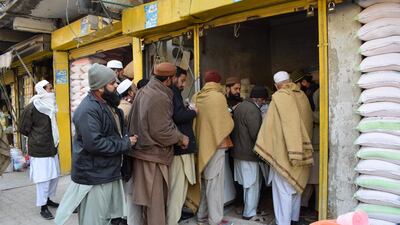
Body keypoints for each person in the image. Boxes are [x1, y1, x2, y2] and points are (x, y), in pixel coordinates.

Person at [55, 63, 137, 225]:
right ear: (100, 88)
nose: (116, 86)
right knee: (93, 220)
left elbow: (114, 132)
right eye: (112, 83)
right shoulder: (87, 110)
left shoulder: (107, 105)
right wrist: (125, 143)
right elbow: (95, 144)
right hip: (94, 177)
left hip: (107, 173)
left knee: (107, 218)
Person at [127, 62, 189, 225]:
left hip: (143, 154)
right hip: (153, 157)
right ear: (169, 79)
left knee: (149, 204)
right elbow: (161, 131)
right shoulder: (158, 96)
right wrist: (181, 137)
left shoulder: (144, 90)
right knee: (156, 205)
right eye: (175, 77)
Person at [254, 71, 314, 225]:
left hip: (283, 153)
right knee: (296, 188)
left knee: (283, 192)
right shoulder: (302, 96)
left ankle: (283, 222)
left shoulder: (279, 98)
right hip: (302, 151)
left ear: (276, 85)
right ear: (290, 81)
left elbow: (270, 127)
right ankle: (293, 220)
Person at [187, 70, 234, 225]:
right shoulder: (219, 97)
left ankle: (201, 216)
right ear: (218, 83)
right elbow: (226, 123)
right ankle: (216, 219)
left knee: (204, 182)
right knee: (215, 184)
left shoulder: (196, 96)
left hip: (200, 145)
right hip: (216, 145)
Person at [19, 80, 60, 220]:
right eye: (49, 88)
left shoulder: (51, 105)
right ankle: (43, 207)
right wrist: (37, 138)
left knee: (54, 177)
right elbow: (23, 128)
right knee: (43, 179)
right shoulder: (32, 107)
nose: (52, 90)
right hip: (39, 149)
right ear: (42, 90)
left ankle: (48, 199)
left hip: (52, 147)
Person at [231, 86, 268, 221]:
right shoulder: (253, 110)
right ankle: (250, 213)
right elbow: (256, 135)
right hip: (249, 155)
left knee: (246, 184)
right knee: (252, 184)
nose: (264, 103)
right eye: (263, 100)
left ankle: (250, 209)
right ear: (257, 99)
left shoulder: (240, 107)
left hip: (238, 152)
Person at [167, 66, 197, 225]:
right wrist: (193, 112)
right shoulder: (172, 93)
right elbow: (177, 116)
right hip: (179, 149)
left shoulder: (174, 93)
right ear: (174, 77)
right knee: (177, 190)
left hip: (180, 148)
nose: (184, 84)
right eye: (183, 80)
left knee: (180, 189)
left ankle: (174, 219)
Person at [301, 68, 320, 211]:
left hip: (318, 140)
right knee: (310, 177)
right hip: (313, 140)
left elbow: (322, 115)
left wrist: (306, 114)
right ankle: (305, 204)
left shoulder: (320, 92)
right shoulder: (315, 91)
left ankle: (318, 208)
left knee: (315, 178)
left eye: (315, 72)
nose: (313, 74)